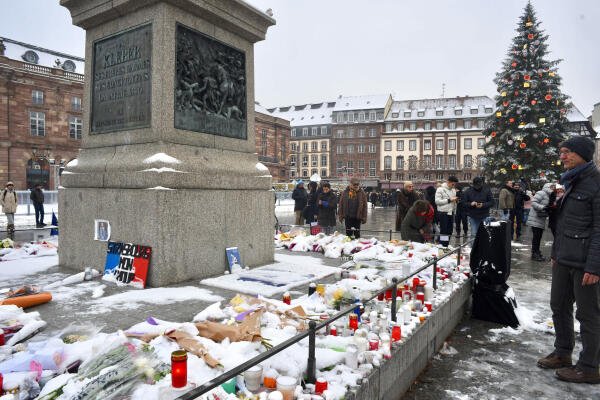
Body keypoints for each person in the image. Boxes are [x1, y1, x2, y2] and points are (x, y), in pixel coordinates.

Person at [537, 136, 600, 384]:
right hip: (564, 258)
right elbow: (564, 225)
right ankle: (563, 353)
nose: (562, 156)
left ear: (582, 154)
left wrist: (595, 266)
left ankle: (589, 366)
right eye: (561, 152)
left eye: (567, 152)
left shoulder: (595, 183)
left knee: (588, 315)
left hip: (586, 264)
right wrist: (556, 253)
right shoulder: (573, 180)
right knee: (558, 306)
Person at [526, 182, 555, 261]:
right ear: (547, 186)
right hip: (535, 218)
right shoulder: (541, 193)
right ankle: (534, 254)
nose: (553, 188)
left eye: (553, 187)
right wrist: (543, 207)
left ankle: (537, 252)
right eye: (551, 187)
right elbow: (533, 203)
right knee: (536, 237)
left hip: (541, 219)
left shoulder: (550, 195)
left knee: (538, 237)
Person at [435, 176, 459, 247]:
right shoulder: (440, 189)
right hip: (443, 213)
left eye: (454, 184)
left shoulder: (453, 190)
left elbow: (453, 201)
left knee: (450, 231)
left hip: (451, 213)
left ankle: (446, 244)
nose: (454, 186)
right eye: (453, 184)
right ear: (448, 182)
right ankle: (443, 245)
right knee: (444, 231)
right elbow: (437, 201)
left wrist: (456, 201)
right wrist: (449, 200)